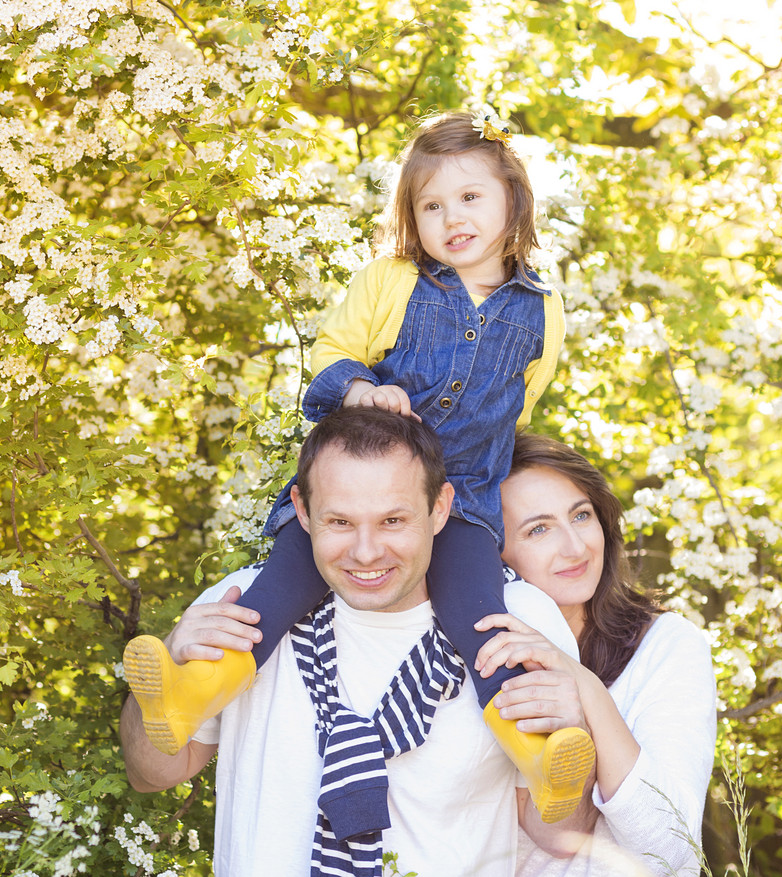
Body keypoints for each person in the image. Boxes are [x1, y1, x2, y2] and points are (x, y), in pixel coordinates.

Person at [124, 110, 591, 822]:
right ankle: (188, 694)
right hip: (363, 475)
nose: (451, 217)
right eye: (431, 205)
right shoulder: (391, 279)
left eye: (470, 197)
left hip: (460, 504)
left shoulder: (543, 310)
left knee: (481, 623)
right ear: (411, 217)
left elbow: (517, 407)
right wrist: (362, 388)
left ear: (511, 200)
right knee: (276, 592)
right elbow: (332, 352)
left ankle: (536, 753)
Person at [121, 408, 586, 876]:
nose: (365, 552)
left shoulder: (520, 619)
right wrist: (168, 669)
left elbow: (558, 835)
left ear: (440, 507)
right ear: (302, 510)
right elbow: (151, 775)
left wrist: (575, 722)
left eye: (392, 521)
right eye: (340, 522)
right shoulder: (241, 606)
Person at [473, 433, 717, 876]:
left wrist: (586, 689)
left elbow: (672, 851)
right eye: (538, 529)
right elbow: (552, 836)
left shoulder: (669, 646)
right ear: (492, 554)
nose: (576, 546)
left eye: (581, 515)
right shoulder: (479, 656)